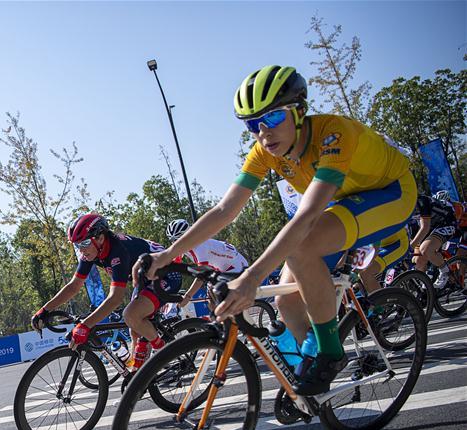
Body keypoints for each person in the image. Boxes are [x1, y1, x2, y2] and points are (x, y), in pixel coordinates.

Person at [140, 65, 417, 396]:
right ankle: (314, 383)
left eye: (272, 118)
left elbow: (307, 215)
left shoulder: (333, 133)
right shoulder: (265, 152)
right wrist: (168, 254)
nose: (263, 133)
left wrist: (252, 278)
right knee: (286, 303)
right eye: (252, 124)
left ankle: (330, 353)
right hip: (343, 202)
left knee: (301, 246)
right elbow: (225, 210)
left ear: (299, 111)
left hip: (391, 192)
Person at [31, 213, 183, 370]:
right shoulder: (91, 252)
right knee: (134, 330)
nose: (81, 250)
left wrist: (85, 325)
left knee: (131, 315)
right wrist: (44, 310)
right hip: (144, 278)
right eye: (77, 245)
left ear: (100, 238)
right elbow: (74, 286)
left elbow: (115, 298)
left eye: (84, 243)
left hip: (167, 273)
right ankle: (141, 374)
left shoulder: (118, 251)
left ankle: (164, 352)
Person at [410, 190, 460, 289]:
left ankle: (445, 272)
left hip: (446, 223)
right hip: (431, 227)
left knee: (426, 249)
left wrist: (410, 247)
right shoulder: (402, 206)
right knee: (418, 260)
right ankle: (426, 289)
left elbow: (425, 227)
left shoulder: (421, 201)